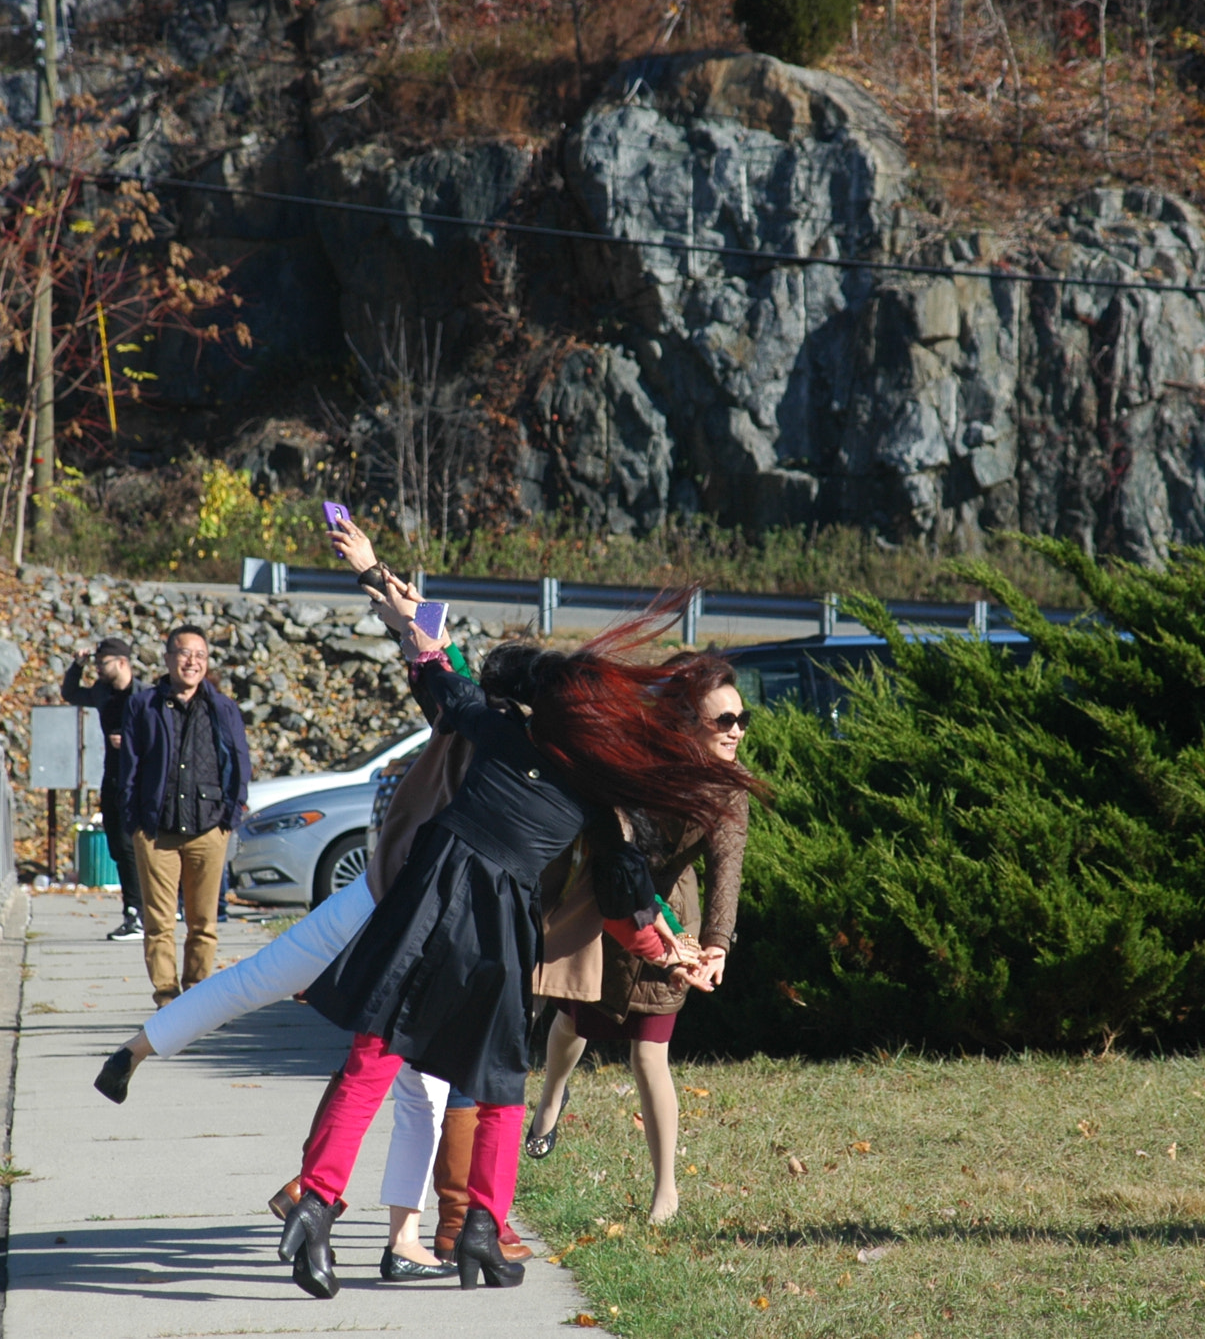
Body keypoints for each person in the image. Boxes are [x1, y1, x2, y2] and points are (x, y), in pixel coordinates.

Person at [273, 614, 761, 1298]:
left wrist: (408, 620)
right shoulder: (595, 796)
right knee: (499, 1082)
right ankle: (481, 1230)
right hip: (496, 930)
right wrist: (670, 956)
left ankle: (317, 1205)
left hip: (423, 904)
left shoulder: (499, 731)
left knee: (372, 1055)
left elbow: (443, 681)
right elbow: (623, 905)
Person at [94, 524, 498, 1279]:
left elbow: (432, 652)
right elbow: (438, 653)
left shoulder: (459, 720)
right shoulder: (499, 741)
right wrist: (387, 587)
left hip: (367, 897)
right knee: (423, 1096)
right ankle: (401, 1237)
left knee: (253, 980)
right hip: (412, 923)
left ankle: (138, 1048)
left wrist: (382, 585)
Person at [527, 655, 752, 1224]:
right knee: (575, 1017)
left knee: (650, 1050)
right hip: (606, 905)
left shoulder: (730, 789)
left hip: (675, 924)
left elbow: (728, 867)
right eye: (723, 720)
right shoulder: (634, 766)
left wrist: (718, 943)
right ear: (683, 722)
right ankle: (552, 1096)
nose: (736, 731)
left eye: (741, 719)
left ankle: (665, 1192)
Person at [118, 625, 253, 1008]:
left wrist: (231, 814)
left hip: (209, 828)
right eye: (184, 653)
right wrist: (134, 822)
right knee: (159, 923)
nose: (192, 661)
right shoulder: (142, 705)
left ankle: (195, 996)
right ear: (167, 658)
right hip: (156, 830)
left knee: (204, 924)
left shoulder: (222, 707)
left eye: (200, 655)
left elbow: (240, 763)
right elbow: (127, 768)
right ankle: (166, 999)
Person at [63, 638, 146, 940]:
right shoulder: (102, 693)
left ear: (122, 662)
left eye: (103, 663)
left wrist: (133, 743)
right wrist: (78, 665)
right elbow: (70, 693)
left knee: (131, 846)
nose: (98, 669)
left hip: (140, 781)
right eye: (96, 663)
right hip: (112, 779)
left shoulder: (145, 696)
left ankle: (138, 913)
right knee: (117, 847)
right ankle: (137, 911)